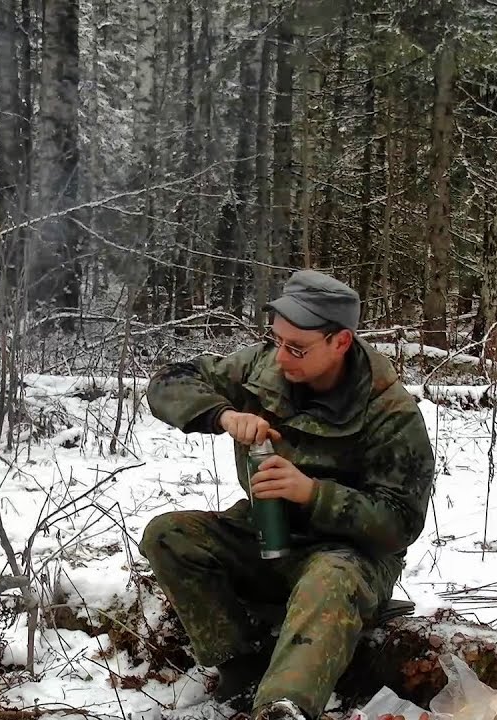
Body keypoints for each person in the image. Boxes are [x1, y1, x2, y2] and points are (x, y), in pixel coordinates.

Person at [141, 270, 436, 720]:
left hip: (349, 556)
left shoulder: (389, 411)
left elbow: (400, 523)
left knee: (329, 578)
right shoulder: (262, 367)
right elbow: (167, 381)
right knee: (169, 535)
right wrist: (221, 415)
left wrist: (313, 494)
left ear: (340, 342)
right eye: (276, 340)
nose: (281, 357)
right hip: (263, 532)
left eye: (297, 348)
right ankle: (242, 667)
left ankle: (282, 707)